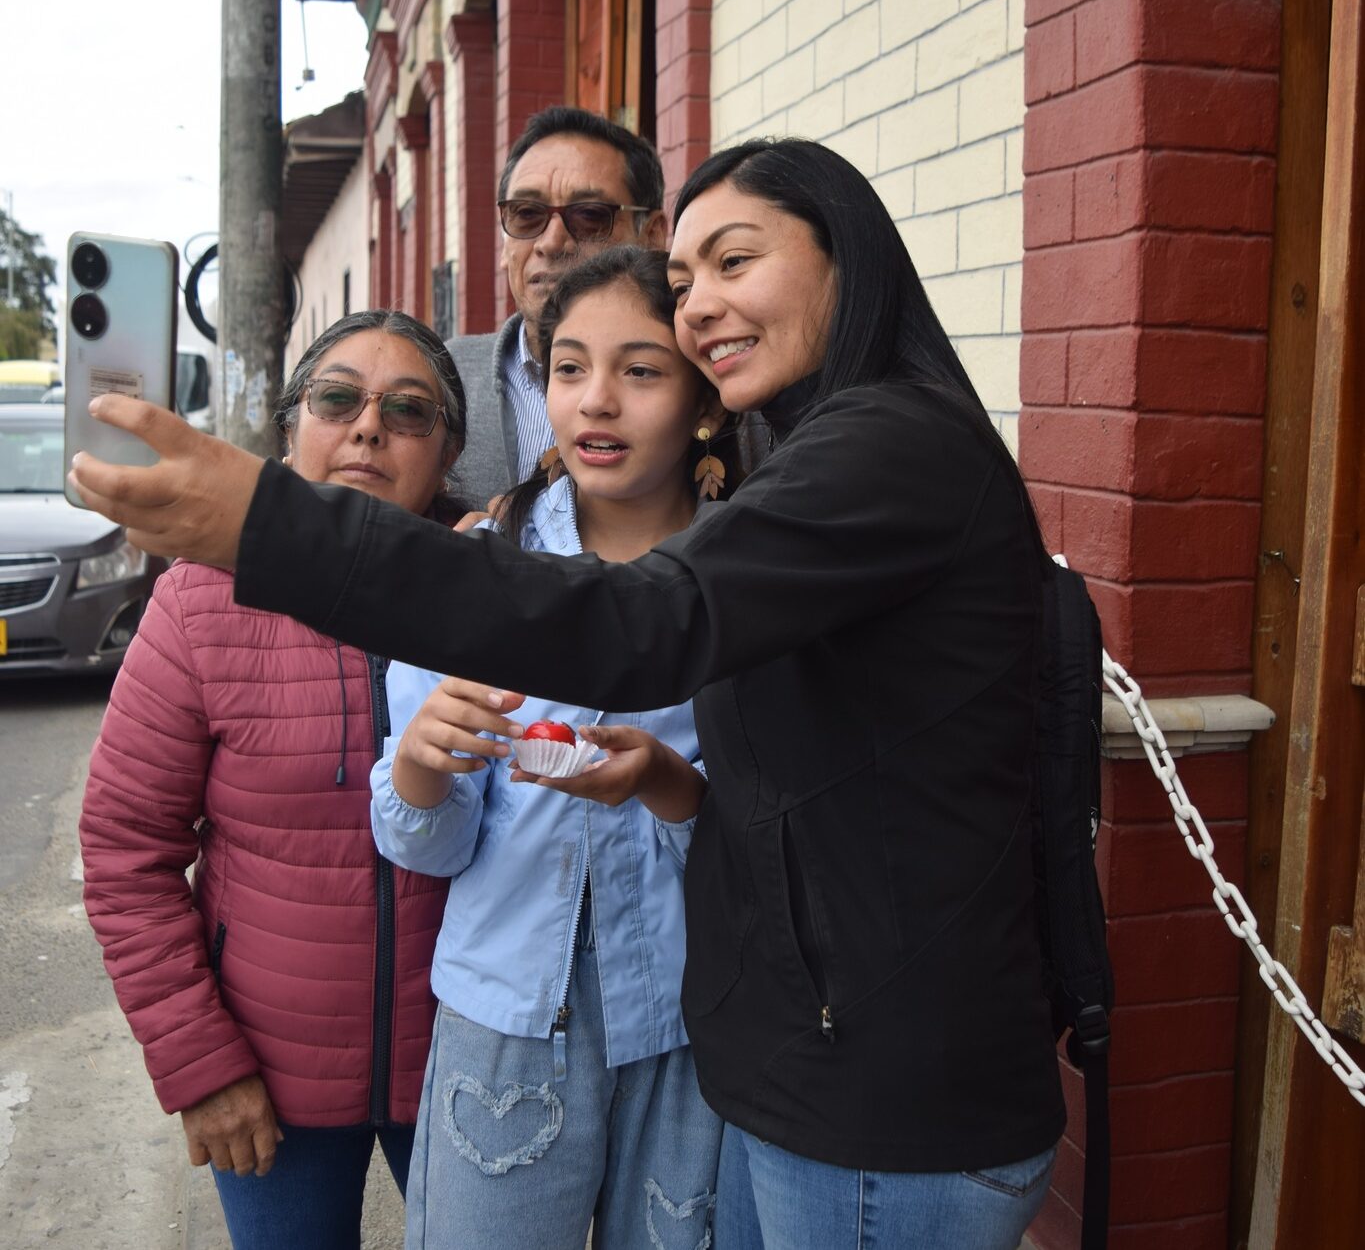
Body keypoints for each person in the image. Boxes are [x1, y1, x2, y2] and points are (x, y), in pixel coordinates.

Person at [72, 138, 1067, 1249]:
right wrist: (447, 769)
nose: (702, 311)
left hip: (860, 1090)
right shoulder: (788, 473)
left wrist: (274, 526)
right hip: (755, 1061)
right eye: (685, 284)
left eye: (734, 265)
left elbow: (642, 626)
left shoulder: (872, 453)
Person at [78, 311, 466, 1250]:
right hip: (270, 1075)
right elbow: (127, 855)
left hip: (473, 1069)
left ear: (447, 449)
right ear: (293, 424)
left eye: (408, 411)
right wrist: (200, 1064)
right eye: (338, 398)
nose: (368, 426)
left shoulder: (501, 583)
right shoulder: (203, 598)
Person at [374, 246, 727, 1248]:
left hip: (689, 1020)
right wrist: (422, 768)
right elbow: (429, 849)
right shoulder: (479, 571)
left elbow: (775, 839)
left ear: (705, 402)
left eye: (642, 370)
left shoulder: (747, 580)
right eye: (569, 369)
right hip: (510, 1021)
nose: (597, 402)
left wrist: (669, 788)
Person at [453, 104, 668, 509]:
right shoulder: (444, 378)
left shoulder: (708, 381)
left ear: (653, 235)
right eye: (526, 214)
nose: (551, 243)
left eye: (589, 216)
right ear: (504, 244)